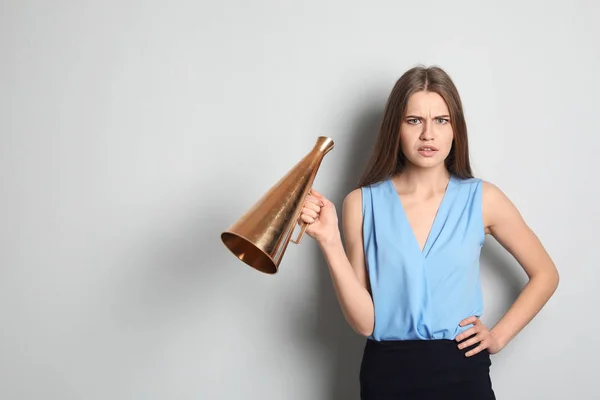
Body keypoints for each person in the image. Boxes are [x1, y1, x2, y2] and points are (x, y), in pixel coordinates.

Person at [299, 65, 560, 399]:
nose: (428, 134)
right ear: (396, 128)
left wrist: (498, 337)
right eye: (413, 120)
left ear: (455, 130)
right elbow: (366, 323)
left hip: (462, 373)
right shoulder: (361, 204)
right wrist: (329, 240)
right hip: (386, 376)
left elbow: (545, 274)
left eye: (441, 120)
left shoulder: (483, 199)